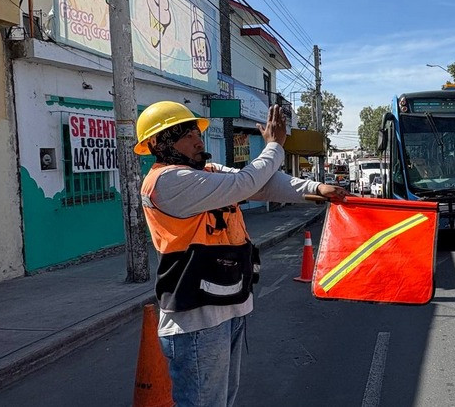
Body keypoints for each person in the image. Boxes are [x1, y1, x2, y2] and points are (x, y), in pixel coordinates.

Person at [133, 101, 347, 406]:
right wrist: (274, 146)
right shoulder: (166, 182)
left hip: (226, 305)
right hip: (197, 320)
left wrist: (314, 187)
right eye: (186, 134)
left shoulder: (205, 172)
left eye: (197, 132)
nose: (198, 140)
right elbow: (243, 182)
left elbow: (259, 185)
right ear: (159, 144)